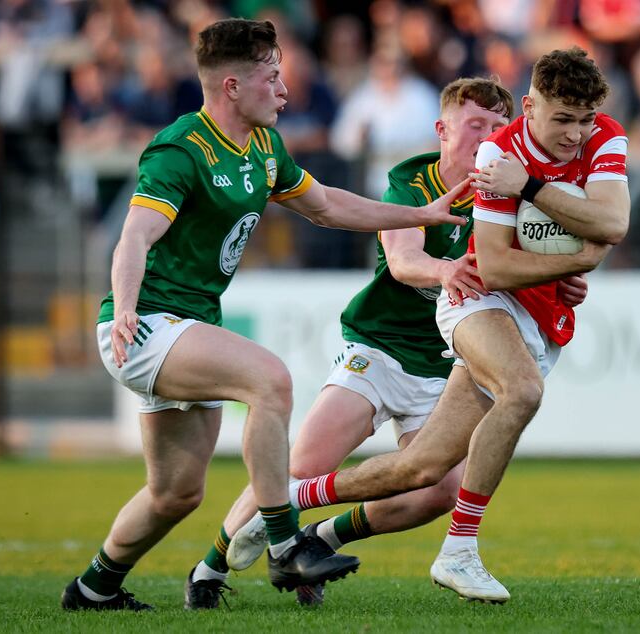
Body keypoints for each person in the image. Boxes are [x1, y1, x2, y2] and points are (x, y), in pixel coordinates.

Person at [60, 18, 470, 613]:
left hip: (190, 326)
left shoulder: (264, 147)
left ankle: (94, 589)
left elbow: (328, 206)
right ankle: (285, 546)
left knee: (175, 493)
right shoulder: (182, 149)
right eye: (272, 77)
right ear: (232, 86)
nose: (284, 89)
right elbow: (134, 238)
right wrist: (124, 308)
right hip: (146, 325)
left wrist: (419, 217)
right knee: (270, 380)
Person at [227, 47, 629, 604]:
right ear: (531, 107)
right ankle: (459, 552)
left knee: (423, 470)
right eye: (562, 119)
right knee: (523, 391)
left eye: (585, 120)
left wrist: (560, 237)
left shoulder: (604, 136)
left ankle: (289, 507)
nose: (575, 134)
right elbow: (492, 267)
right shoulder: (498, 156)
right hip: (475, 303)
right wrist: (575, 247)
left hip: (538, 318)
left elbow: (613, 223)